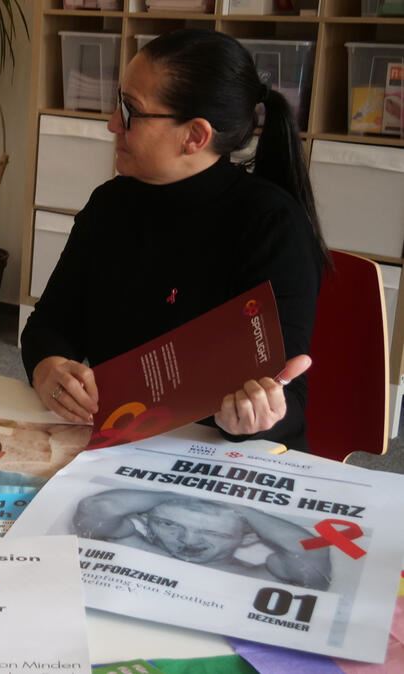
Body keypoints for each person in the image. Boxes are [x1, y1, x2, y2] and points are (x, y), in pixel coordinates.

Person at [20, 30, 329, 449]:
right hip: (120, 443)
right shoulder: (111, 204)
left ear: (195, 136)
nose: (112, 123)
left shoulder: (271, 225)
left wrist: (254, 416)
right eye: (118, 103)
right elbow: (50, 324)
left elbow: (284, 398)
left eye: (131, 111)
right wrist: (49, 369)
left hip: (221, 458)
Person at [74, 489, 332, 590]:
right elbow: (97, 507)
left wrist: (241, 510)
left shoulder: (262, 577)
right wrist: (171, 494)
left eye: (213, 533)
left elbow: (312, 554)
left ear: (248, 537)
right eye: (168, 525)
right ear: (148, 524)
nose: (188, 540)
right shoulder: (135, 544)